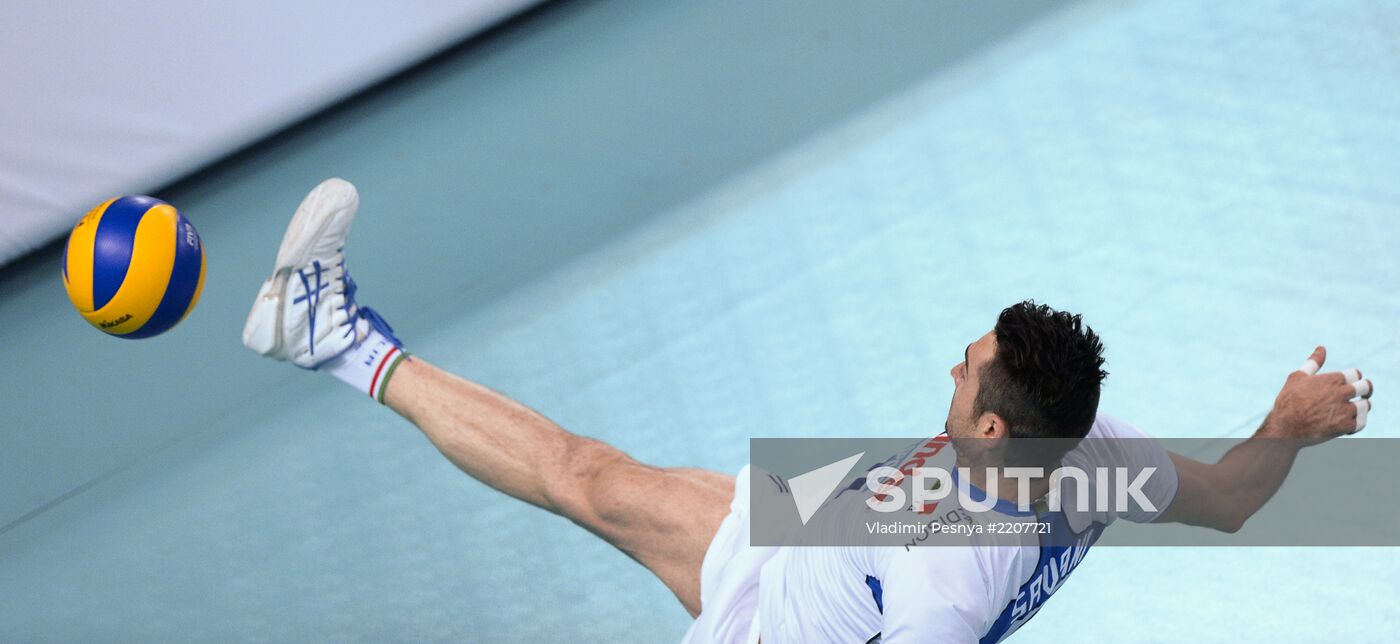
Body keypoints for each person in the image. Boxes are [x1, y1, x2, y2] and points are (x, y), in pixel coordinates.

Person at [242, 179, 1375, 643]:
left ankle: (333, 336)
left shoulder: (952, 578)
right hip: (834, 518)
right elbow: (1226, 501)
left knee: (575, 474)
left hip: (797, 612)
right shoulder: (1094, 453)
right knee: (583, 468)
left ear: (989, 430)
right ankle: (329, 335)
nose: (951, 364)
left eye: (964, 368)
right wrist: (1281, 425)